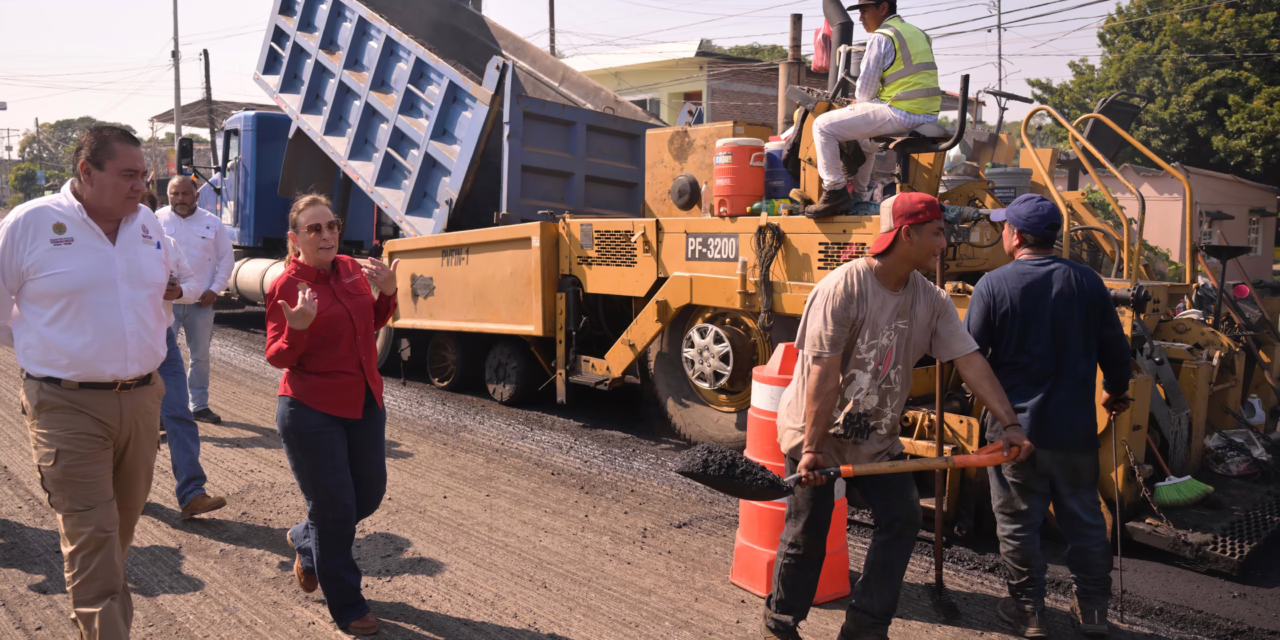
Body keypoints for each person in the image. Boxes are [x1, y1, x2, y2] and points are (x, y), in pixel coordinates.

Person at [762, 192, 1033, 640]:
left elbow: (970, 361)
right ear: (907, 234)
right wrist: (811, 449)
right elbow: (822, 374)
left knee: (903, 516)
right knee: (809, 529)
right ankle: (782, 619)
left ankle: (866, 627)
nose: (944, 244)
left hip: (876, 439)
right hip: (818, 435)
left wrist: (1010, 423)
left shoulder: (931, 300)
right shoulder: (843, 288)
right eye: (937, 233)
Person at [0, 126, 171, 639]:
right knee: (94, 540)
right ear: (86, 172)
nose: (141, 185)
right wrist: (53, 354)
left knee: (116, 536)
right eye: (128, 175)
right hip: (66, 407)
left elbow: (158, 302)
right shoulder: (30, 224)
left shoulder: (149, 227)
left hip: (142, 402)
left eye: (143, 175)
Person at [964, 194, 1133, 638]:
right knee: (1085, 521)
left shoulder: (993, 286)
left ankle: (1028, 611)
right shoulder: (1089, 282)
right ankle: (1094, 611)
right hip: (1074, 431)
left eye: (1004, 227)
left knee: (1019, 523)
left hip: (1015, 433)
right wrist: (1117, 391)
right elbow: (1116, 349)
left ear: (1015, 235)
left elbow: (972, 359)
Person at [265, 194, 398, 636]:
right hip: (310, 409)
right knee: (336, 508)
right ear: (294, 239)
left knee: (369, 495)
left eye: (331, 226)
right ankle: (347, 604)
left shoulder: (352, 271)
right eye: (314, 229)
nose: (326, 235)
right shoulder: (286, 286)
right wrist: (297, 330)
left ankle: (307, 537)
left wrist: (389, 295)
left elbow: (370, 325)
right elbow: (277, 356)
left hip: (362, 402)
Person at [805, 0, 942, 218]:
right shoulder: (919, 34)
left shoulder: (882, 37)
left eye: (864, 11)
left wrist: (858, 103)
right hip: (927, 114)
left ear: (884, 8)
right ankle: (858, 197)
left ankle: (834, 191)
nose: (861, 18)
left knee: (823, 126)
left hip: (902, 111)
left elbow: (865, 92)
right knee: (863, 142)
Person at [157, 229, 229, 519]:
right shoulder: (101, 242)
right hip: (118, 345)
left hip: (161, 342)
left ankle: (192, 494)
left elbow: (191, 285)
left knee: (179, 414)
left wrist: (179, 292)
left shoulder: (165, 243)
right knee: (127, 422)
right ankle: (119, 488)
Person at [156, 176, 234, 424]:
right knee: (161, 356)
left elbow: (226, 260)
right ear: (168, 196)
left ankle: (199, 405)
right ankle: (160, 410)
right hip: (166, 304)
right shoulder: (155, 221)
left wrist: (216, 289)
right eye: (174, 194)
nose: (180, 199)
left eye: (185, 194)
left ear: (196, 196)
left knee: (200, 356)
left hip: (201, 303)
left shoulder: (213, 223)